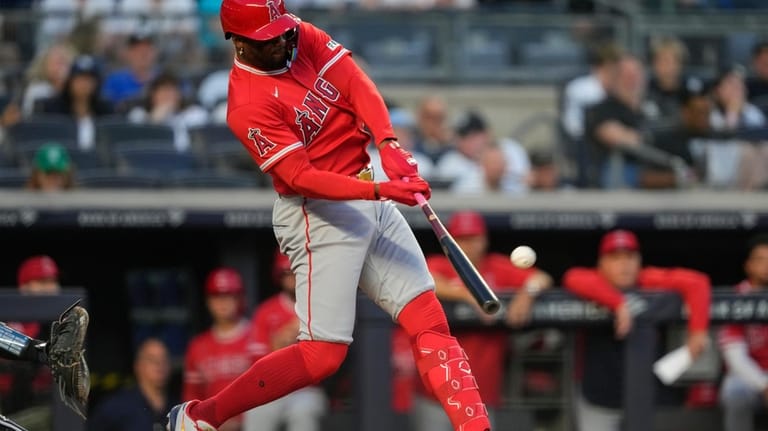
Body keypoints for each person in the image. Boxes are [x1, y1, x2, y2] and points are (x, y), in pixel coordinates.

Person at [166, 1, 491, 431]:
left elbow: (354, 81)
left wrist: (388, 144)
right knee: (322, 356)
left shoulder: (298, 35)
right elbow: (302, 178)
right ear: (239, 42)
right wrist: (381, 190)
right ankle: (201, 417)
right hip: (318, 213)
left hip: (366, 186)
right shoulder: (246, 103)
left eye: (283, 31)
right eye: (269, 38)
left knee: (428, 320)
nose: (283, 41)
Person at [411, 210, 553, 430]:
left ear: (485, 240)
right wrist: (470, 295)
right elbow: (424, 279)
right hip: (435, 394)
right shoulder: (440, 264)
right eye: (462, 239)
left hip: (481, 395)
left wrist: (527, 293)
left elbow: (542, 278)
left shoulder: (496, 266)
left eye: (474, 238)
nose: (469, 245)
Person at [562, 229, 711, 431]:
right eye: (615, 258)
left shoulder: (647, 279)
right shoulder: (592, 280)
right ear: (601, 263)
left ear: (639, 261)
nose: (624, 264)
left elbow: (698, 282)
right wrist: (617, 304)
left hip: (644, 393)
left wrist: (697, 332)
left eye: (630, 257)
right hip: (598, 394)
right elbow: (572, 277)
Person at [242, 251, 326, 431]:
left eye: (297, 271)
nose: (293, 278)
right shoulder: (266, 311)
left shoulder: (320, 308)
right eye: (287, 273)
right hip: (273, 389)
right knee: (256, 412)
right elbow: (256, 362)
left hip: (307, 389)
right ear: (279, 275)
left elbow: (328, 359)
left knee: (303, 412)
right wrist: (280, 342)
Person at [182, 268, 253, 431]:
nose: (222, 302)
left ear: (240, 298)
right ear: (208, 302)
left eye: (228, 295)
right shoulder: (198, 345)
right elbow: (191, 398)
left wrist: (241, 421)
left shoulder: (257, 337)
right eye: (216, 296)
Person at [717, 234, 768, 431]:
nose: (766, 265)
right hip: (746, 377)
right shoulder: (735, 297)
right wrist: (764, 385)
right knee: (735, 391)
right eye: (760, 259)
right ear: (748, 265)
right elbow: (735, 357)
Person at [87, 337, 176, 431]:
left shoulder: (178, 409)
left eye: (164, 359)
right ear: (138, 366)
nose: (159, 364)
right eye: (152, 359)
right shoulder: (116, 407)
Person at [39, 54, 114, 151]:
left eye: (89, 80)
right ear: (70, 81)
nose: (84, 84)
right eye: (79, 79)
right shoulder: (52, 109)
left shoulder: (106, 110)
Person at [126, 71, 209, 152]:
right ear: (152, 95)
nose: (169, 95)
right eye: (164, 91)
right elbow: (139, 144)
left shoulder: (195, 113)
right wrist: (153, 120)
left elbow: (191, 146)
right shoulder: (138, 114)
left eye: (173, 91)